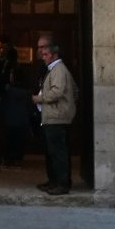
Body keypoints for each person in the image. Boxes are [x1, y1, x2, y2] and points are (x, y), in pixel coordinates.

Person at [32, 37, 78, 196]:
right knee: (52, 152)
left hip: (57, 117)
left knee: (58, 152)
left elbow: (57, 92)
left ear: (52, 54)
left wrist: (39, 98)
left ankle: (62, 183)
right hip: (52, 116)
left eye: (45, 54)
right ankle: (53, 181)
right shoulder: (54, 70)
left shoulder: (59, 70)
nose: (42, 56)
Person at [0, 65, 34, 167]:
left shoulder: (9, 91)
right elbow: (30, 107)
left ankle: (8, 159)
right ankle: (16, 158)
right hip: (22, 120)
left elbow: (3, 105)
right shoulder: (27, 91)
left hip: (9, 119)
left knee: (9, 141)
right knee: (19, 141)